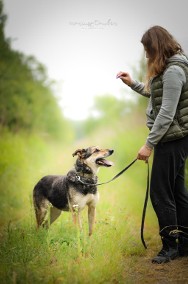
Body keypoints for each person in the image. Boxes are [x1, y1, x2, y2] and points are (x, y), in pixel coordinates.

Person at [116, 25, 188, 264]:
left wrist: (148, 145)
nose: (147, 55)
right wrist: (133, 83)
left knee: (160, 193)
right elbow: (156, 95)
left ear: (157, 47)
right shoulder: (169, 68)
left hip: (173, 140)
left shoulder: (174, 71)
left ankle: (170, 247)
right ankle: (183, 244)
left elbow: (166, 112)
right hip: (174, 138)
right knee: (177, 192)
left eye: (148, 50)